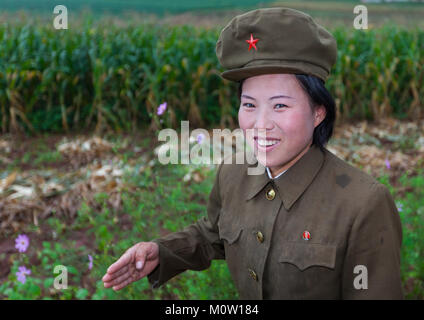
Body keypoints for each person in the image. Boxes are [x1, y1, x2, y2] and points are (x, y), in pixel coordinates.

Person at [102, 7, 403, 299]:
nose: (260, 125)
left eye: (280, 105)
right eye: (249, 105)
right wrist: (161, 251)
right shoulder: (234, 173)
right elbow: (214, 235)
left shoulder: (364, 204)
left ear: (318, 112)